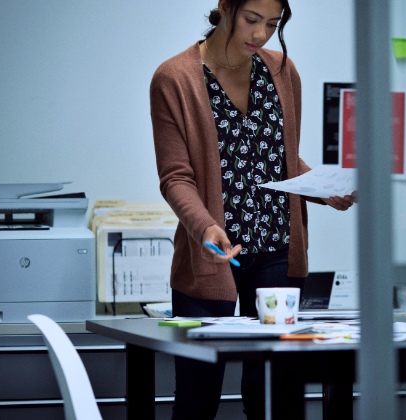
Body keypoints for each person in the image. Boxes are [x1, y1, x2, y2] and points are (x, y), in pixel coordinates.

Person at [149, 1, 356, 419]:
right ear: (226, 7)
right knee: (198, 392)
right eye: (251, 20)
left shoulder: (282, 71)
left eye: (273, 24)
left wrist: (323, 190)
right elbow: (175, 176)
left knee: (275, 391)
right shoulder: (173, 78)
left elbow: (281, 159)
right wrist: (204, 227)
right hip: (213, 254)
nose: (261, 34)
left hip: (279, 249)